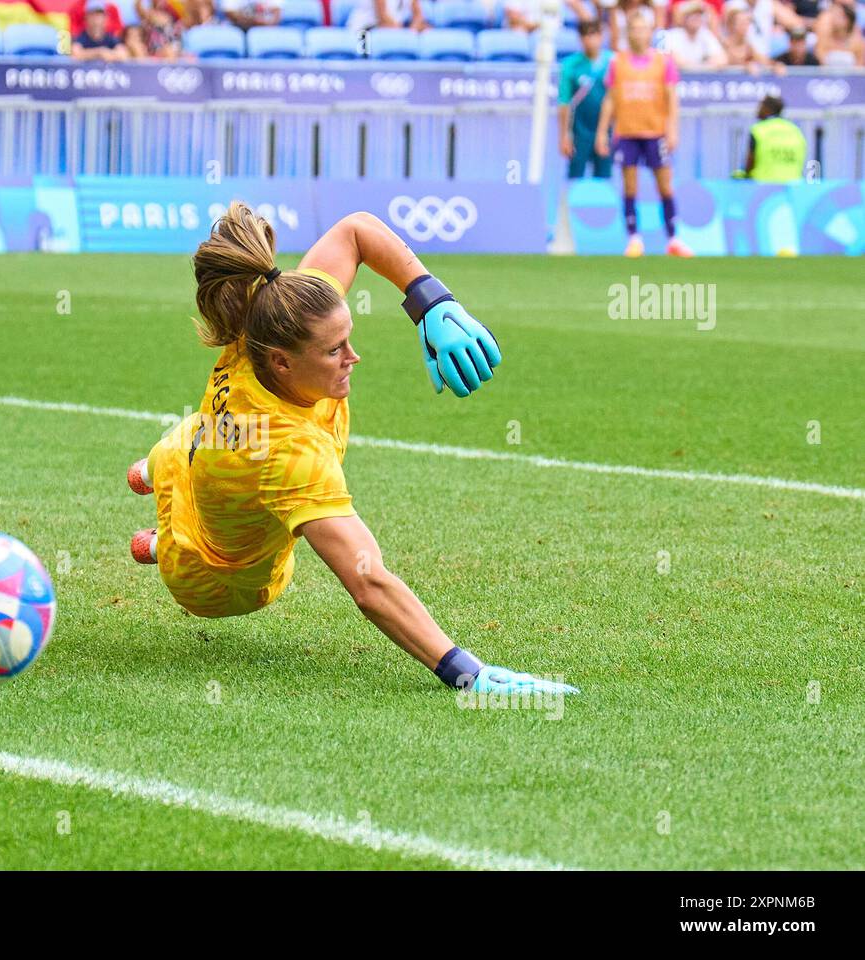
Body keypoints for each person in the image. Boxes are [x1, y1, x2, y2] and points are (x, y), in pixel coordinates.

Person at [125, 202, 578, 699]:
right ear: (281, 363)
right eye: (334, 349)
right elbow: (369, 582)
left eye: (349, 338)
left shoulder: (266, 317)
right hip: (211, 582)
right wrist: (467, 671)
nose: (353, 357)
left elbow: (356, 230)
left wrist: (431, 302)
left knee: (190, 440)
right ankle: (160, 537)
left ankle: (156, 473)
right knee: (196, 474)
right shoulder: (289, 456)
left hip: (211, 446)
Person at [595, 8, 693, 256]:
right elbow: (610, 99)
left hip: (655, 132)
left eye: (642, 28)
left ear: (650, 32)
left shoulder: (663, 62)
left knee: (665, 185)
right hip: (627, 131)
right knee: (630, 185)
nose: (638, 33)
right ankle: (634, 239)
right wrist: (601, 132)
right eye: (634, 29)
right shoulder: (618, 62)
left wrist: (672, 130)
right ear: (628, 32)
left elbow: (672, 99)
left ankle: (673, 239)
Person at [558, 21, 615, 179]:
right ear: (580, 39)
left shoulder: (612, 62)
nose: (590, 40)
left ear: (601, 36)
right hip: (580, 131)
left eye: (594, 34)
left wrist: (606, 132)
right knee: (575, 177)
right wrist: (564, 135)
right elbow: (564, 102)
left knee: (604, 178)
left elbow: (615, 99)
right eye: (586, 35)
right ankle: (569, 204)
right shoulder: (570, 65)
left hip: (606, 131)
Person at [740, 94, 807, 181]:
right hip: (792, 189)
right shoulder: (795, 130)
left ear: (767, 109)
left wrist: (742, 177)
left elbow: (750, 165)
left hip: (764, 188)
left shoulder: (759, 130)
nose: (757, 110)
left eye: (761, 106)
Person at [663, 0, 728, 66]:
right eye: (692, 15)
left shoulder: (706, 34)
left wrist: (701, 66)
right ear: (684, 18)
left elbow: (722, 60)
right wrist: (705, 65)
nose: (697, 18)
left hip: (700, 75)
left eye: (699, 15)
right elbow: (677, 61)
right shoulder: (673, 35)